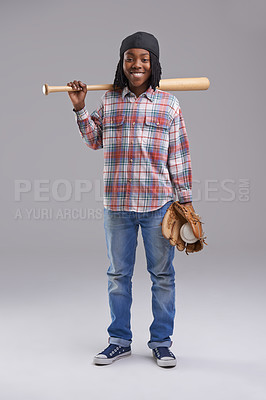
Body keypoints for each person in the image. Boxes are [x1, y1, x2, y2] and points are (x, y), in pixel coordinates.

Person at [67, 31, 192, 368]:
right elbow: (95, 140)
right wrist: (80, 108)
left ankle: (161, 343)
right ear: (122, 64)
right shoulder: (109, 101)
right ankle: (119, 340)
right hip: (118, 206)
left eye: (144, 59)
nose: (137, 64)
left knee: (162, 276)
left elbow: (178, 156)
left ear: (154, 64)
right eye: (130, 58)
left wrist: (186, 200)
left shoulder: (169, 104)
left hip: (158, 207)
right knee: (117, 275)